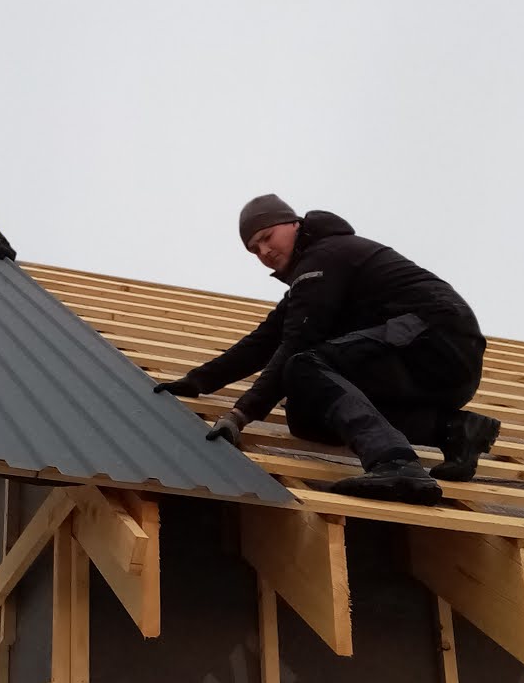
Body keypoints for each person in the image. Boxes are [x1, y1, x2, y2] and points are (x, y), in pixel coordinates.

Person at [153, 195, 501, 503]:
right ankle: (454, 430)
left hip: (435, 339)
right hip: (421, 362)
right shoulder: (312, 278)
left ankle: (396, 463)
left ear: (293, 224)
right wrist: (198, 381)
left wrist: (240, 414)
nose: (264, 252)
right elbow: (264, 341)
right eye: (254, 249)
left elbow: (296, 343)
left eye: (267, 237)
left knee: (304, 365)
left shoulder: (325, 255)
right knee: (307, 416)